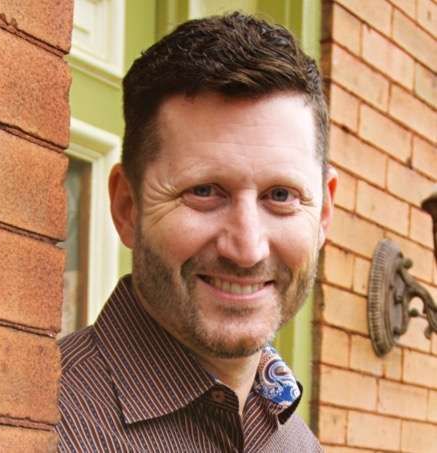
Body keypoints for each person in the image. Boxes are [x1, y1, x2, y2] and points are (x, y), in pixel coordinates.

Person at [56, 11, 337, 453]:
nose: (247, 249)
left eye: (281, 195)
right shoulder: (32, 424)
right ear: (127, 207)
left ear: (323, 214)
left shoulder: (298, 444)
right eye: (204, 191)